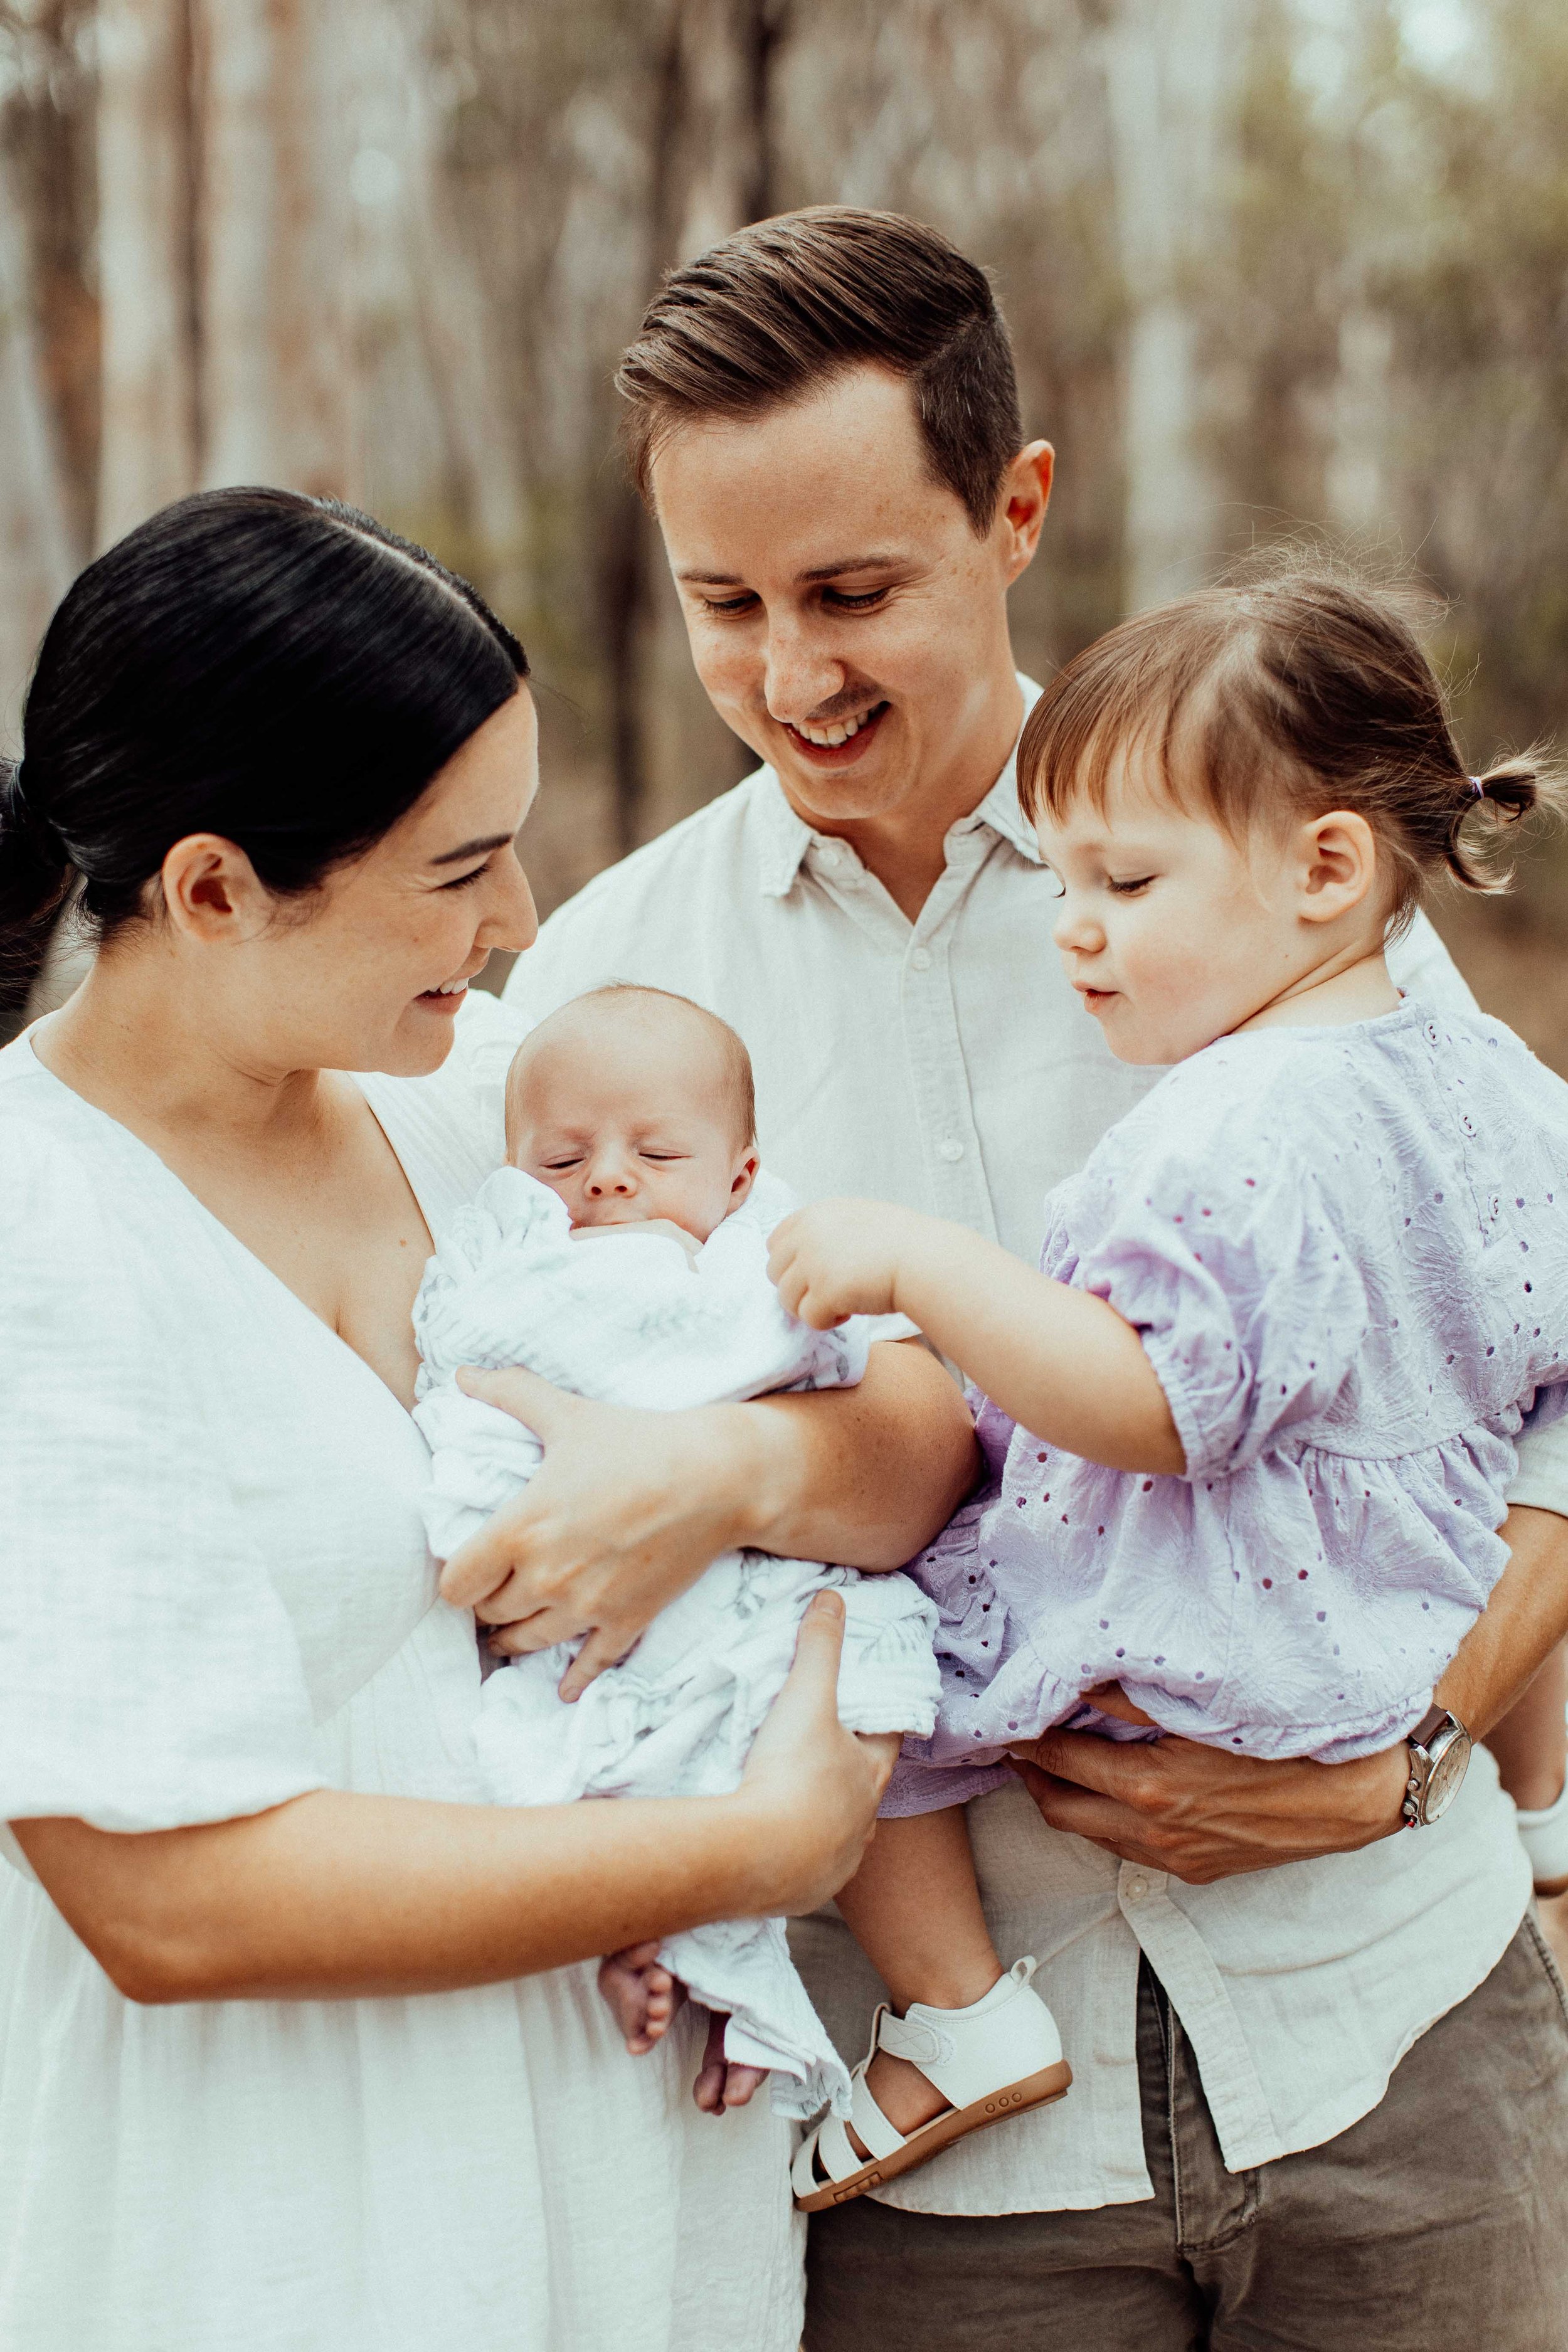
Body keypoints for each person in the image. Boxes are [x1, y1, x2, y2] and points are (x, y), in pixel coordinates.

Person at [504, 207, 1568, 2346]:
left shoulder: (1274, 881)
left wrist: (1426, 1755)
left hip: (1399, 2030)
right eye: (725, 604)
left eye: (854, 592)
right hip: (945, 2163)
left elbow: (1533, 1357)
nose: (790, 676)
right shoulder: (597, 1001)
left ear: (1018, 509)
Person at [0, 486, 977, 2352]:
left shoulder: (500, 1121)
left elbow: (914, 1418)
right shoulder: (40, 1231)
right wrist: (753, 1851)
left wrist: (730, 1467)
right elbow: (164, 1895)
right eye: (462, 870)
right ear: (213, 889)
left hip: (613, 2191)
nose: (522, 916)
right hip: (292, 2218)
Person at [771, 568, 1568, 2211]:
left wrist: (925, 1265)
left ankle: (955, 2012)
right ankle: (1546, 1805)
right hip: (1393, 1629)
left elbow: (1150, 1404)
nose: (1070, 923)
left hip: (1222, 1651)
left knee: (873, 1673)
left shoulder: (1225, 1127)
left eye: (1121, 879)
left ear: (1324, 866)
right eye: (1062, 874)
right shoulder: (1490, 1076)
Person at [411, 981, 943, 2121]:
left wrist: (713, 1462)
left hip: (763, 1578)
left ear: (743, 1177)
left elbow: (858, 1373)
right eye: (560, 1159)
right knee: (588, 1744)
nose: (606, 1177)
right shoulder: (519, 1263)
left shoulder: (761, 1259)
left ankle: (806, 1968)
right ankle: (649, 1929)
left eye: (656, 1151)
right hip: (590, 1604)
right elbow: (468, 1365)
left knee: (842, 1681)